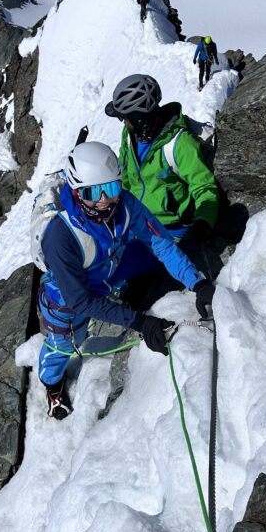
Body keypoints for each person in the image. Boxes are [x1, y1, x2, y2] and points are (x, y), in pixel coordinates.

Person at [37, 141, 215, 420]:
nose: (105, 200)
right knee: (63, 345)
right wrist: (140, 322)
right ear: (75, 192)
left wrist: (199, 283)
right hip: (65, 302)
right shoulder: (60, 237)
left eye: (111, 188)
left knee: (152, 257)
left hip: (106, 272)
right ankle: (52, 385)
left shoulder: (126, 206)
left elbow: (161, 245)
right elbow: (79, 300)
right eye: (93, 193)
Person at [105, 74, 218, 247]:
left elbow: (204, 187)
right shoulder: (130, 136)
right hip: (135, 221)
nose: (123, 122)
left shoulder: (180, 144)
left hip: (169, 232)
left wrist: (204, 221)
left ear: (138, 118)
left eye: (125, 117)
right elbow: (125, 175)